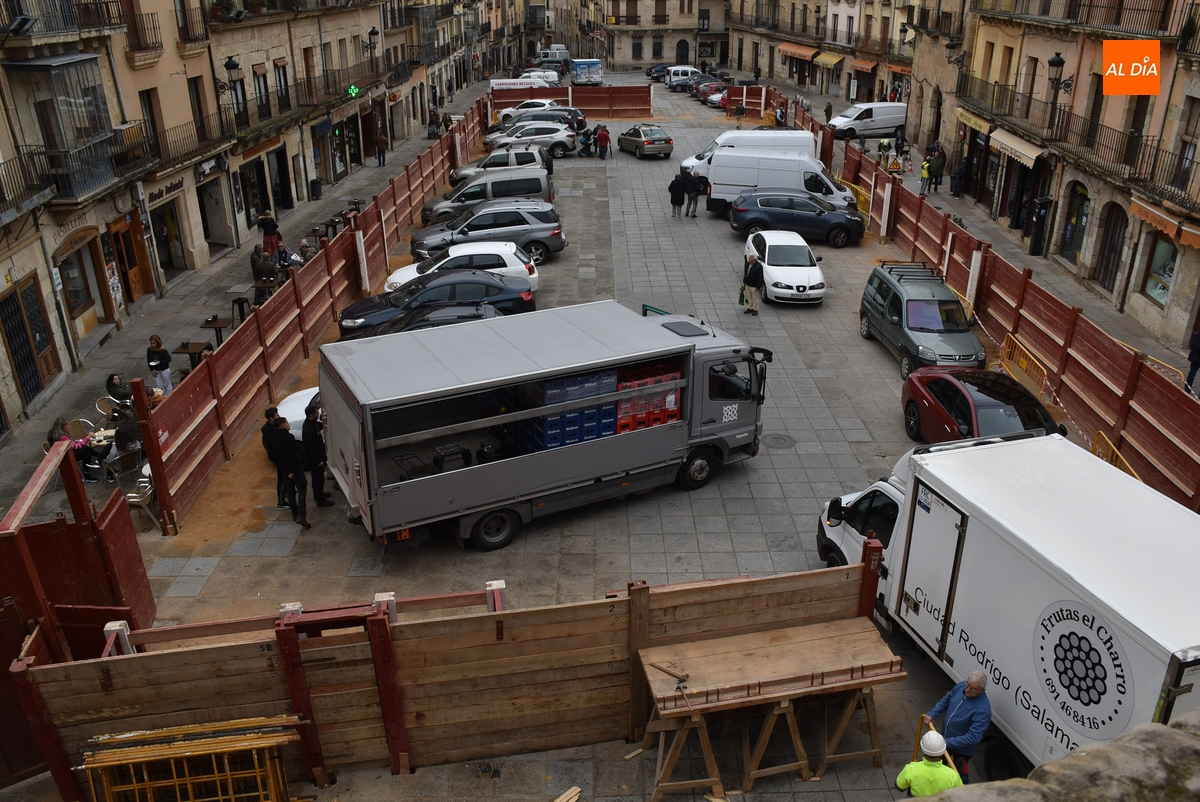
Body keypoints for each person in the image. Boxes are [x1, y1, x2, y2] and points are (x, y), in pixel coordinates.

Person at [923, 671, 992, 784]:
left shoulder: (983, 710)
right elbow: (947, 699)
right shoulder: (962, 686)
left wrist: (945, 742)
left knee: (956, 773)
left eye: (973, 688)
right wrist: (933, 713)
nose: (967, 690)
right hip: (946, 740)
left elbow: (973, 737)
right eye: (967, 684)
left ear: (982, 691)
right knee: (938, 765)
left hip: (962, 750)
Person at [895, 731, 963, 797]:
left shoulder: (911, 769)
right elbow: (960, 794)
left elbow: (900, 786)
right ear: (942, 751)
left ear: (923, 749)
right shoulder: (953, 775)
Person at [47, 417, 109, 483]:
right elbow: (77, 446)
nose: (69, 426)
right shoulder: (62, 437)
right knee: (84, 448)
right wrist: (88, 437)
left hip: (66, 453)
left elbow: (71, 444)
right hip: (65, 458)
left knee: (86, 454)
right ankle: (100, 457)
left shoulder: (56, 434)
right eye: (67, 425)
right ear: (62, 427)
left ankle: (87, 474)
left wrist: (74, 441)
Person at [280, 419, 311, 529]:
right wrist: (292, 471)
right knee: (302, 490)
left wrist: (286, 470)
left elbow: (273, 455)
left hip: (284, 469)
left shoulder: (274, 438)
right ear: (283, 425)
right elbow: (293, 456)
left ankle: (295, 513)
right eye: (287, 423)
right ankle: (301, 515)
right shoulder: (289, 438)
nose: (288, 424)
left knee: (290, 490)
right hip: (294, 469)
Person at [302, 405, 335, 507]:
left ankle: (319, 494)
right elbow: (310, 448)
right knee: (318, 479)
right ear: (311, 415)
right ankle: (320, 500)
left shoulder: (312, 423)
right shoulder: (308, 429)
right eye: (316, 413)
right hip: (315, 459)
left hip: (319, 456)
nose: (318, 414)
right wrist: (318, 461)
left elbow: (318, 425)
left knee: (319, 477)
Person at [262, 408, 290, 509]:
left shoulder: (266, 428)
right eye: (276, 416)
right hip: (279, 458)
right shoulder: (272, 430)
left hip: (277, 457)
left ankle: (285, 493)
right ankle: (281, 502)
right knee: (282, 479)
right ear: (271, 418)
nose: (278, 417)